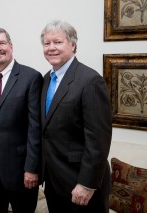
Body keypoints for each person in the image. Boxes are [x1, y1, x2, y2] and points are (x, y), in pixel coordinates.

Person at [40, 20, 112, 213]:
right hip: (54, 182)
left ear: (72, 44)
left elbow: (98, 141)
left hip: (80, 183)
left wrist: (86, 184)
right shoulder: (46, 79)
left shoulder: (90, 81)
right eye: (47, 43)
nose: (51, 48)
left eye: (57, 42)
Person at [0, 28, 43, 213]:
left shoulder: (31, 78)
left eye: (2, 43)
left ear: (11, 46)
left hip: (21, 172)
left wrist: (31, 168)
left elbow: (35, 128)